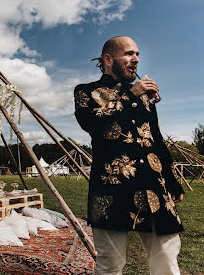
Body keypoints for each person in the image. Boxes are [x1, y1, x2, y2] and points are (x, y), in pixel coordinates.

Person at [74, 36, 184, 275]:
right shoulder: (86, 92)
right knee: (110, 264)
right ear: (108, 59)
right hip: (111, 189)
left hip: (154, 186)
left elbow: (156, 140)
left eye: (137, 55)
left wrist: (172, 181)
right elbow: (95, 126)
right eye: (128, 53)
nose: (135, 59)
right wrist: (131, 96)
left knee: (166, 258)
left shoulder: (145, 98)